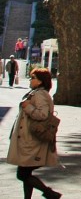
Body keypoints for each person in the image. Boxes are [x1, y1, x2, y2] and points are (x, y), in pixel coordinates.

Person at [6, 68, 61, 198]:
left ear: (40, 81)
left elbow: (42, 114)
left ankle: (50, 194)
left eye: (33, 78)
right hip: (30, 140)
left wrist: (28, 107)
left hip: (32, 141)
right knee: (26, 173)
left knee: (22, 174)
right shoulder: (36, 92)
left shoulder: (40, 94)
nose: (31, 80)